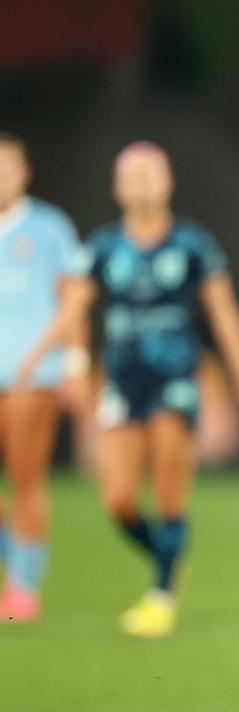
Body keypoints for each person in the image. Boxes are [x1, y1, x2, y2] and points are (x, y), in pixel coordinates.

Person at [18, 141, 239, 637]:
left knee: (169, 494)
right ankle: (167, 557)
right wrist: (39, 355)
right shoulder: (102, 248)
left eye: (149, 175)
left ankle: (161, 594)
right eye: (131, 176)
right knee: (116, 497)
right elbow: (73, 310)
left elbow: (223, 314)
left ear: (167, 183)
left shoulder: (193, 245)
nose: (140, 184)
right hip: (121, 383)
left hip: (175, 382)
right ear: (117, 188)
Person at [0, 132, 85, 623]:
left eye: (10, 166)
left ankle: (23, 585)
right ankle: (17, 562)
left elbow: (72, 298)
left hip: (32, 374)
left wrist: (73, 365)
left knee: (24, 477)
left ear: (25, 172)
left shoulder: (49, 227)